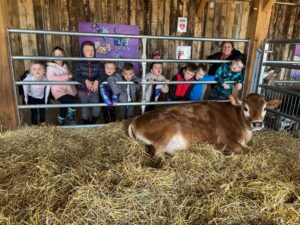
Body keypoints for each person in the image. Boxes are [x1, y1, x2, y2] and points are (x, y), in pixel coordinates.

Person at [73, 41, 105, 124]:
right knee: (85, 110)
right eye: (87, 50)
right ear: (82, 52)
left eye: (92, 50)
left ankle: (93, 122)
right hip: (82, 91)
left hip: (94, 90)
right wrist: (85, 80)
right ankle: (86, 123)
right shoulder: (78, 63)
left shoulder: (98, 63)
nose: (90, 52)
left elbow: (102, 75)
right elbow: (76, 75)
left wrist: (97, 81)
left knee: (97, 109)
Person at [46, 46, 77, 125]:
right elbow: (50, 77)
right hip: (58, 91)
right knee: (73, 101)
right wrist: (67, 76)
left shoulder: (65, 66)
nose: (58, 57)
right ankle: (71, 118)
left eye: (60, 54)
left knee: (64, 106)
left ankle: (61, 120)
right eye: (56, 55)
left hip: (68, 90)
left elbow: (69, 78)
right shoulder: (50, 67)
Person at [22, 61, 50, 125]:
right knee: (34, 112)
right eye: (34, 69)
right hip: (31, 97)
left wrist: (46, 101)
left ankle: (43, 122)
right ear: (31, 72)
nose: (37, 70)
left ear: (44, 71)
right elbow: (24, 85)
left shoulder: (46, 79)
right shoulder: (29, 78)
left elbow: (48, 88)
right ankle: (34, 125)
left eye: (39, 68)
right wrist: (25, 100)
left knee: (42, 111)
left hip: (41, 97)